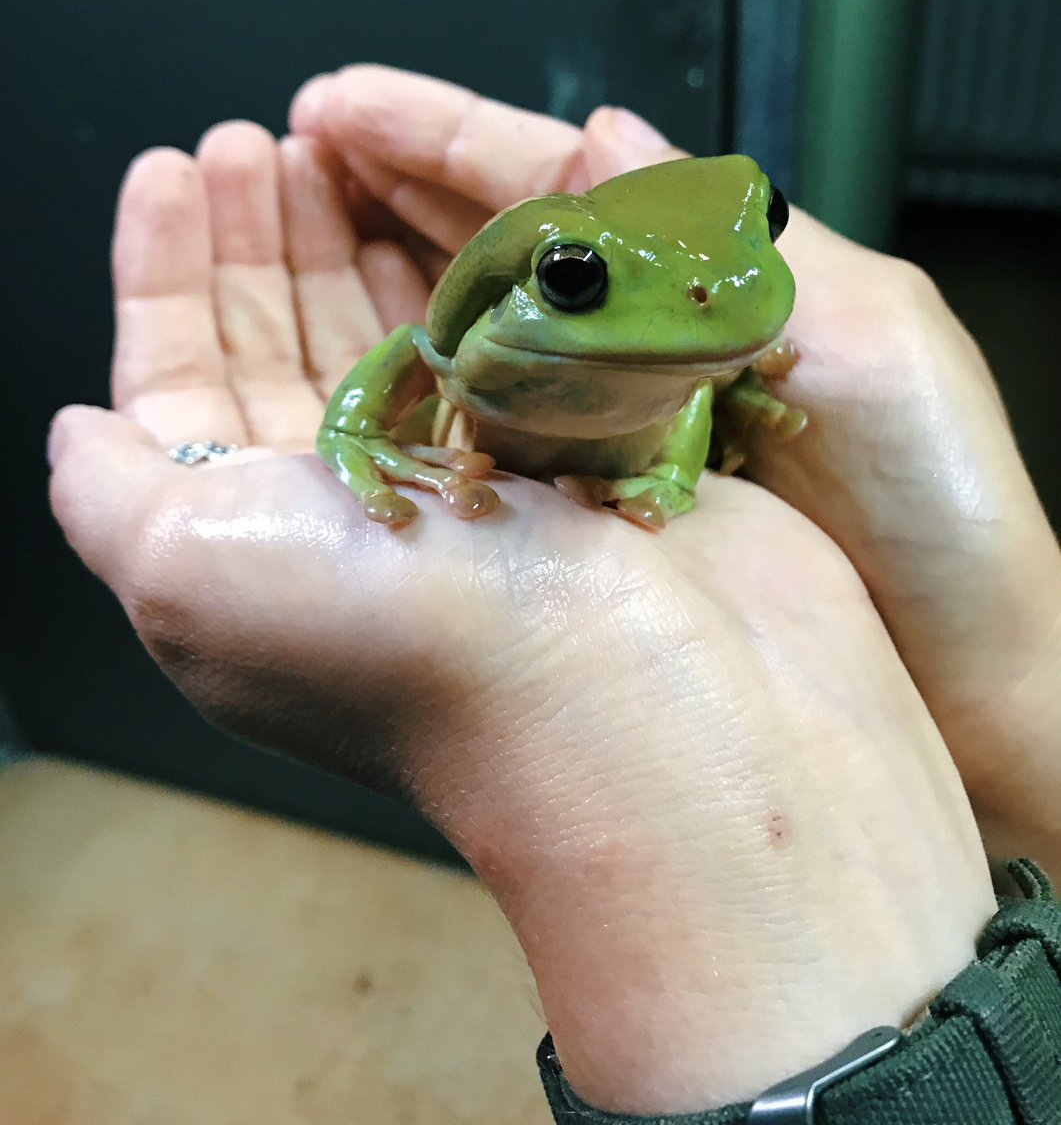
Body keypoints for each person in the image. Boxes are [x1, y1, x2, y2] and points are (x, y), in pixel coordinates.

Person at [47, 66, 1060, 1118]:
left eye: (764, 218)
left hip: (627, 448)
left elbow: (684, 398)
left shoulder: (697, 356)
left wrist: (673, 475)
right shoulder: (475, 353)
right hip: (495, 462)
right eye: (576, 275)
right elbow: (419, 351)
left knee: (695, 370)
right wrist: (355, 435)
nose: (732, 284)